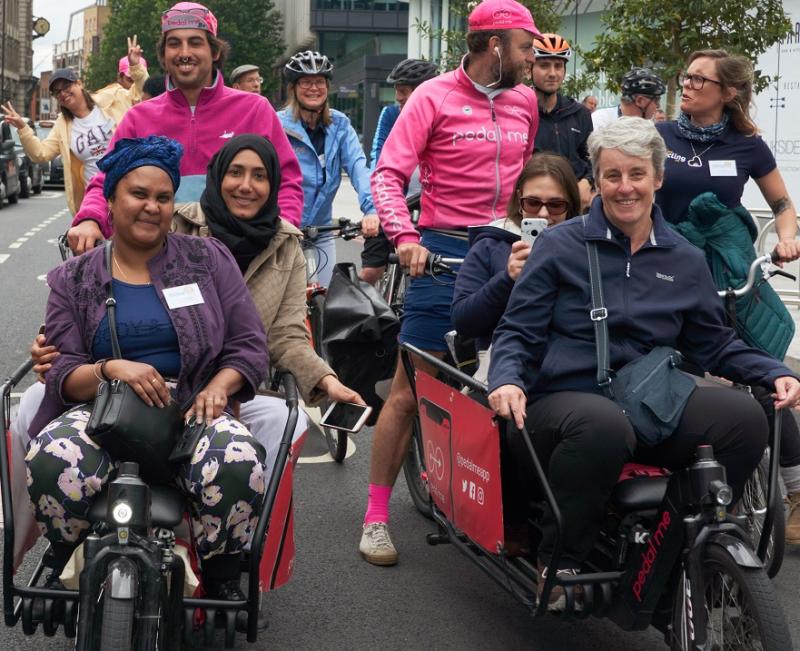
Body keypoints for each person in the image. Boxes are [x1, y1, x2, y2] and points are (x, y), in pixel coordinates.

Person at [486, 117, 800, 610]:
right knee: (602, 425)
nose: (624, 187)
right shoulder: (560, 246)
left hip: (649, 400)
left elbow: (713, 343)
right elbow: (517, 332)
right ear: (597, 181)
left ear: (658, 178)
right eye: (612, 176)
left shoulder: (682, 256)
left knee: (745, 419)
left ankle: (681, 543)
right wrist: (506, 380)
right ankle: (562, 556)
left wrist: (773, 371)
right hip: (563, 404)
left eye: (636, 174)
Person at [24, 136, 270, 606]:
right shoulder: (73, 279)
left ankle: (220, 576)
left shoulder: (207, 259)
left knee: (239, 462)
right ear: (112, 200)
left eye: (163, 197)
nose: (151, 207)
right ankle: (60, 551)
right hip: (105, 410)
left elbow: (249, 344)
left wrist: (220, 387)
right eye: (139, 194)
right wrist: (111, 369)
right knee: (53, 456)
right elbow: (62, 373)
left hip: (193, 405)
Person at [363, 0, 540, 566]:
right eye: (526, 45)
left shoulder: (526, 101)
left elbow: (528, 178)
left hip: (506, 248)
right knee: (409, 388)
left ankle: (500, 512)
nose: (533, 56)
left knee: (511, 382)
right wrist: (404, 236)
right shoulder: (432, 96)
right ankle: (374, 516)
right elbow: (388, 174)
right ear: (495, 47)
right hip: (440, 249)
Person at [654, 49, 800, 545]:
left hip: (726, 272)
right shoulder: (660, 136)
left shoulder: (747, 145)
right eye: (686, 75)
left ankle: (795, 489)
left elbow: (782, 203)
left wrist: (786, 236)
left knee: (761, 375)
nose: (688, 85)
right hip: (663, 271)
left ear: (728, 93)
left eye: (699, 79)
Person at [172, 134, 366, 467]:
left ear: (273, 183)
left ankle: (254, 516)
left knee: (286, 418)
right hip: (167, 382)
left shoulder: (285, 244)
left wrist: (327, 381)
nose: (246, 185)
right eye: (236, 172)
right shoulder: (178, 224)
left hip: (238, 389)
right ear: (218, 175)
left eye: (259, 176)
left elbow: (287, 336)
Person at [65, 1, 304, 254]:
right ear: (164, 55)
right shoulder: (138, 117)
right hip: (157, 257)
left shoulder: (255, 109)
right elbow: (107, 179)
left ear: (215, 52)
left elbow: (287, 180)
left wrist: (284, 231)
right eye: (174, 43)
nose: (184, 52)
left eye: (195, 42)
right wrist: (90, 218)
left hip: (243, 258)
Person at [451, 152, 580, 382]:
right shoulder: (491, 245)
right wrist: (507, 279)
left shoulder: (584, 247)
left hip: (568, 374)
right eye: (533, 203)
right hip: (502, 373)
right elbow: (463, 321)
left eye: (556, 205)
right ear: (519, 201)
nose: (543, 214)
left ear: (570, 206)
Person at [0, 36, 146, 216]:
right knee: (96, 243)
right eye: (57, 92)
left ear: (79, 83)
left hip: (128, 186)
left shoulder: (112, 97)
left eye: (66, 86)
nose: (63, 93)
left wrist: (135, 66)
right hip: (96, 197)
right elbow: (41, 154)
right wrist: (23, 128)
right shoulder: (63, 125)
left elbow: (140, 93)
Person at [278, 50, 377, 287]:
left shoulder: (340, 124)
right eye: (306, 82)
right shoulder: (277, 125)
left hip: (321, 230)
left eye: (319, 82)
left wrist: (372, 210)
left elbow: (358, 166)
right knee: (284, 303)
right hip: (284, 229)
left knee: (326, 297)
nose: (314, 88)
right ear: (293, 88)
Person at [360, 58, 440, 285]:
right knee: (369, 273)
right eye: (396, 90)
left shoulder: (444, 114)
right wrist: (375, 210)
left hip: (430, 208)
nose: (398, 97)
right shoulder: (390, 114)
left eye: (403, 91)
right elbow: (379, 161)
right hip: (394, 204)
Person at [530, 33, 593, 211]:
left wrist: (587, 182)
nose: (552, 73)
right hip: (535, 206)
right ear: (530, 69)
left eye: (558, 66)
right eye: (544, 66)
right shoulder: (520, 112)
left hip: (574, 206)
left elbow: (592, 158)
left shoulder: (579, 113)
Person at [591, 67, 665, 132]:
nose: (658, 106)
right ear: (640, 101)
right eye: (656, 100)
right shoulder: (601, 120)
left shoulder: (649, 125)